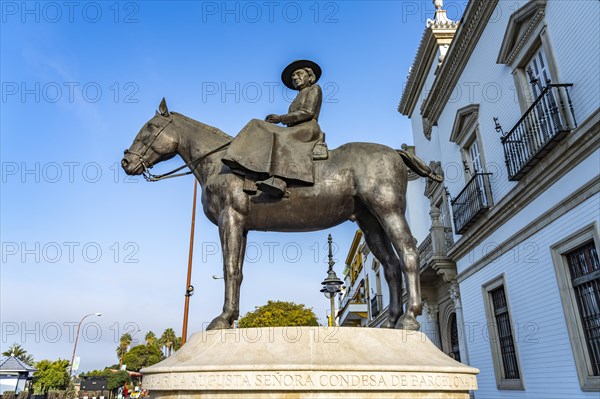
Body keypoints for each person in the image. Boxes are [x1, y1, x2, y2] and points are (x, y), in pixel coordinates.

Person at [222, 59, 324, 197]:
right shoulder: (298, 96)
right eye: (293, 76)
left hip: (308, 128)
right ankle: (247, 165)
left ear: (310, 77)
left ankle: (279, 181)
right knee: (256, 124)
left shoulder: (314, 88)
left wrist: (281, 118)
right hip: (295, 128)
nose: (295, 78)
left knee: (282, 137)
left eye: (299, 74)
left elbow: (308, 112)